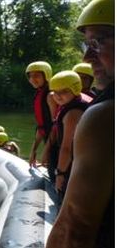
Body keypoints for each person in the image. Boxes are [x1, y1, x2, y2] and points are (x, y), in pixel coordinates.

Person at [23, 0, 114, 248]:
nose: (89, 55)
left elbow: (74, 228)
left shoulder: (104, 118)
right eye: (86, 44)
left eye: (99, 41)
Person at [47, 70, 90, 202]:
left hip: (78, 165)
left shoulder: (72, 114)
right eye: (55, 91)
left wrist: (60, 174)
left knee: (64, 197)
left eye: (64, 91)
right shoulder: (81, 98)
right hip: (86, 160)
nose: (58, 96)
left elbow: (66, 147)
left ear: (75, 88)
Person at [25, 61, 57, 167]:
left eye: (36, 76)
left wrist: (46, 150)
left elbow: (56, 126)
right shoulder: (39, 93)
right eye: (30, 76)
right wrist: (33, 150)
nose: (32, 79)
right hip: (48, 138)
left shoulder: (51, 95)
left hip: (57, 141)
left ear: (46, 75)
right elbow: (41, 126)